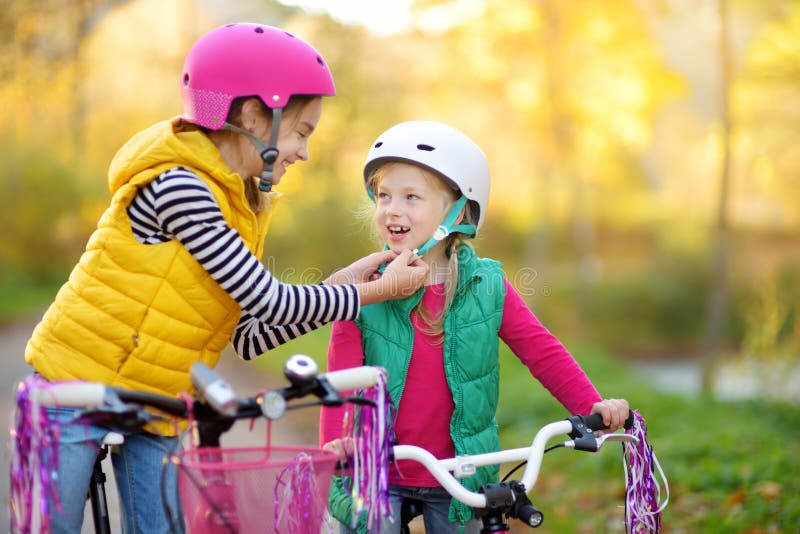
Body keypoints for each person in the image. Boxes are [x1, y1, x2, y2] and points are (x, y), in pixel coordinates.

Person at [22, 24, 427, 534]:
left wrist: (346, 281)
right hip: (74, 386)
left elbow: (249, 335)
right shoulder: (180, 186)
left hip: (159, 399)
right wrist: (371, 293)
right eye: (302, 131)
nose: (305, 151)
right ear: (256, 116)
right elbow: (271, 300)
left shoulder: (242, 204)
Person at [320, 121, 630, 533]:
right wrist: (334, 445)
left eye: (411, 197)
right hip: (378, 468)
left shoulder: (487, 286)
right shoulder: (364, 289)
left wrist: (593, 405)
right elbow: (339, 377)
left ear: (458, 213)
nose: (392, 209)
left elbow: (541, 350)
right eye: (384, 196)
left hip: (461, 471)